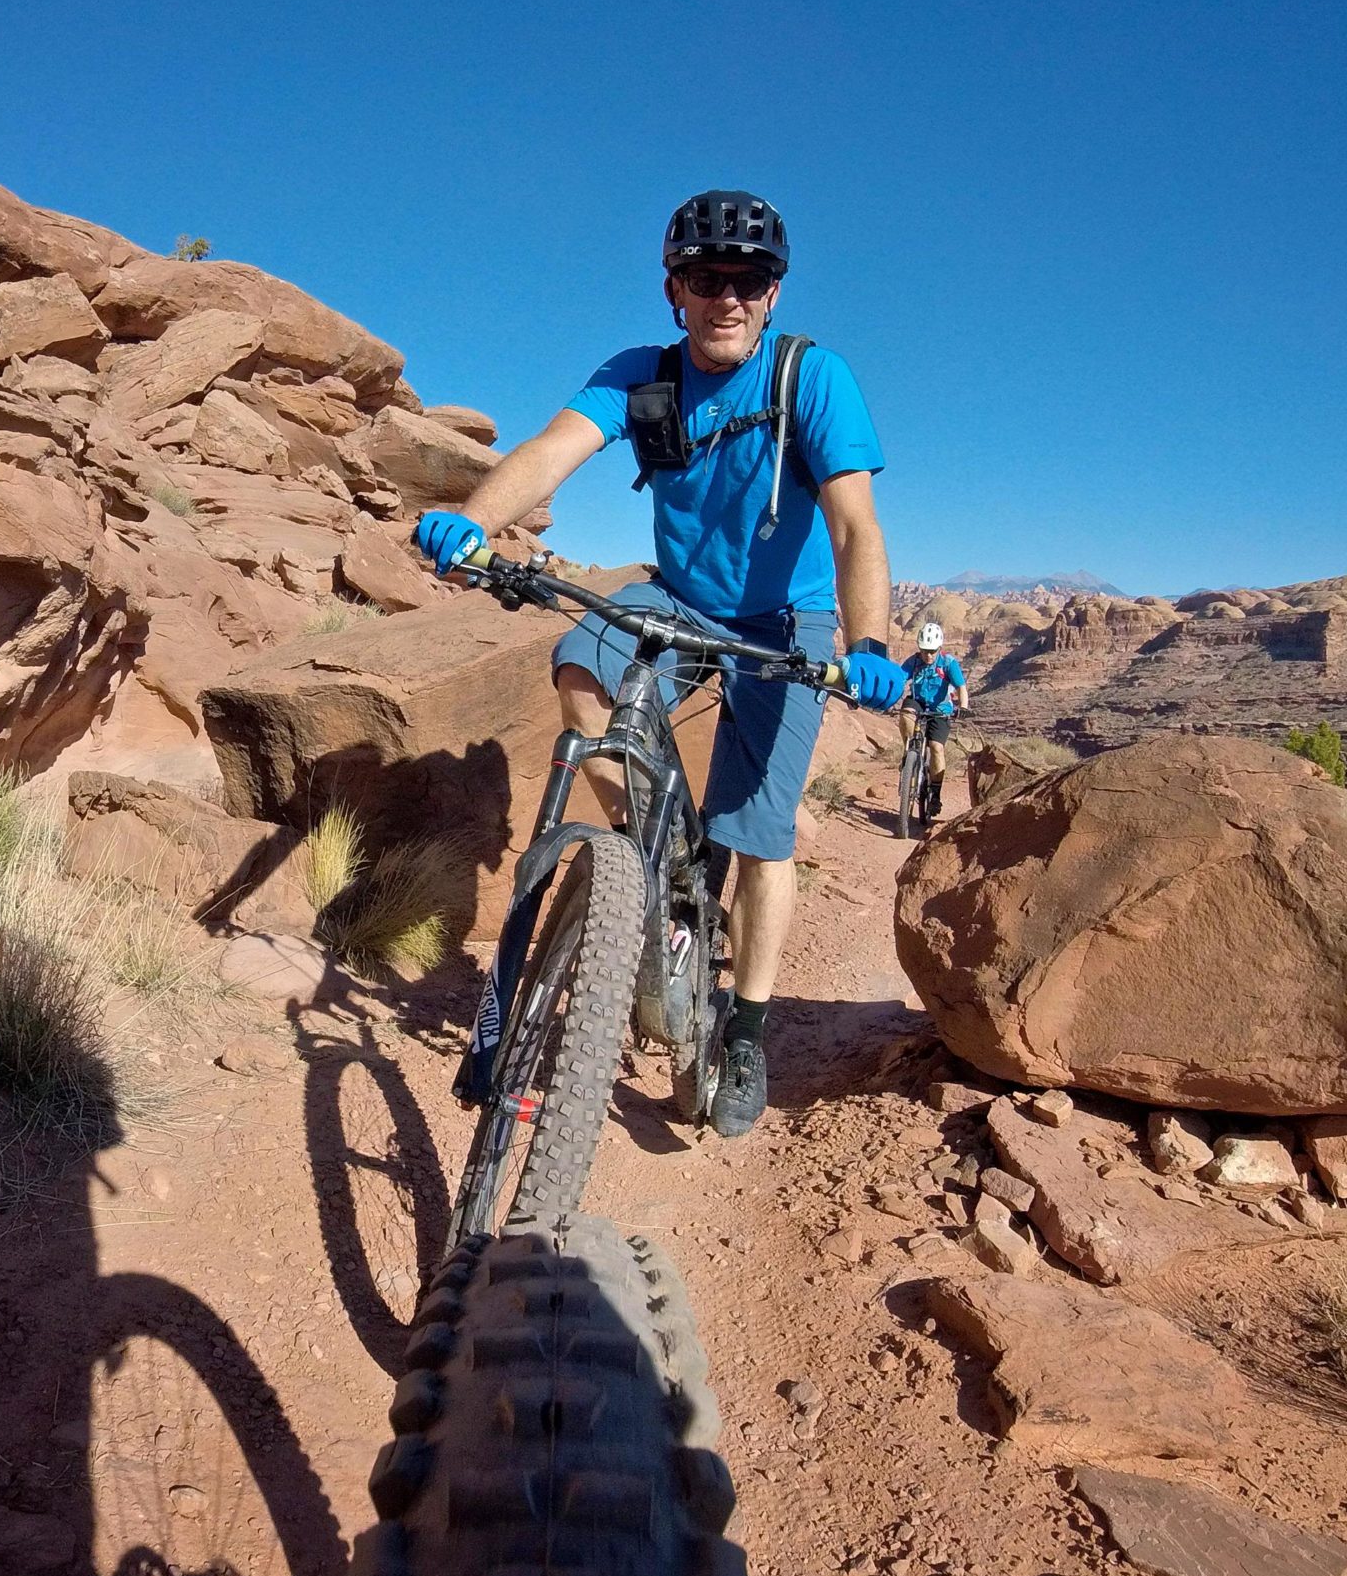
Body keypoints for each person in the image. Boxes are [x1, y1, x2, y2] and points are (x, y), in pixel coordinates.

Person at [410, 189, 905, 1138]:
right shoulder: (643, 376)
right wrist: (472, 523)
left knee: (761, 836)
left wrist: (870, 646)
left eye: (749, 281)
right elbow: (555, 450)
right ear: (675, 288)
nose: (729, 298)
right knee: (581, 665)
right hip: (674, 596)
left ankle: (748, 1030)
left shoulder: (813, 378)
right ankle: (654, 856)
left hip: (784, 622)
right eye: (708, 278)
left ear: (772, 294)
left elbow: (854, 524)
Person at [899, 621, 969, 820]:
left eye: (932, 651)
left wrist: (963, 708)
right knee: (905, 713)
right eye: (924, 651)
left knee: (936, 747)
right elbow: (899, 679)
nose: (928, 655)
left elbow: (961, 689)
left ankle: (935, 795)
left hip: (941, 709)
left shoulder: (948, 663)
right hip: (918, 702)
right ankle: (908, 752)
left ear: (939, 648)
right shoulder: (913, 662)